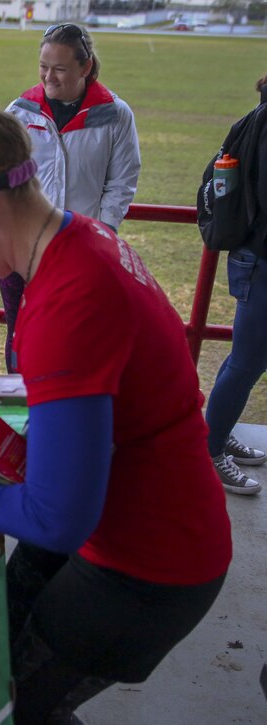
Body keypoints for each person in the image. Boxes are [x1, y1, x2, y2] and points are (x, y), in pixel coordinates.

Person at [0, 77, 230, 724]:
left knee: (17, 705)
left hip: (151, 559)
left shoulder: (70, 300)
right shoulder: (73, 242)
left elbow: (59, 517)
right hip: (125, 511)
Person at [1, 23, 141, 370]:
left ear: (86, 67)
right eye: (44, 67)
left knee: (71, 338)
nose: (49, 77)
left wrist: (101, 232)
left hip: (81, 250)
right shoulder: (20, 111)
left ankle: (57, 416)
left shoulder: (115, 115)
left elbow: (122, 181)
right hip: (22, 247)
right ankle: (23, 413)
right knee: (20, 335)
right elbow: (1, 174)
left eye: (60, 69)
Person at [203, 72, 267, 496]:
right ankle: (208, 452)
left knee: (247, 360)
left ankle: (216, 432)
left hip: (254, 257)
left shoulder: (255, 117)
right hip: (261, 260)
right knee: (246, 362)